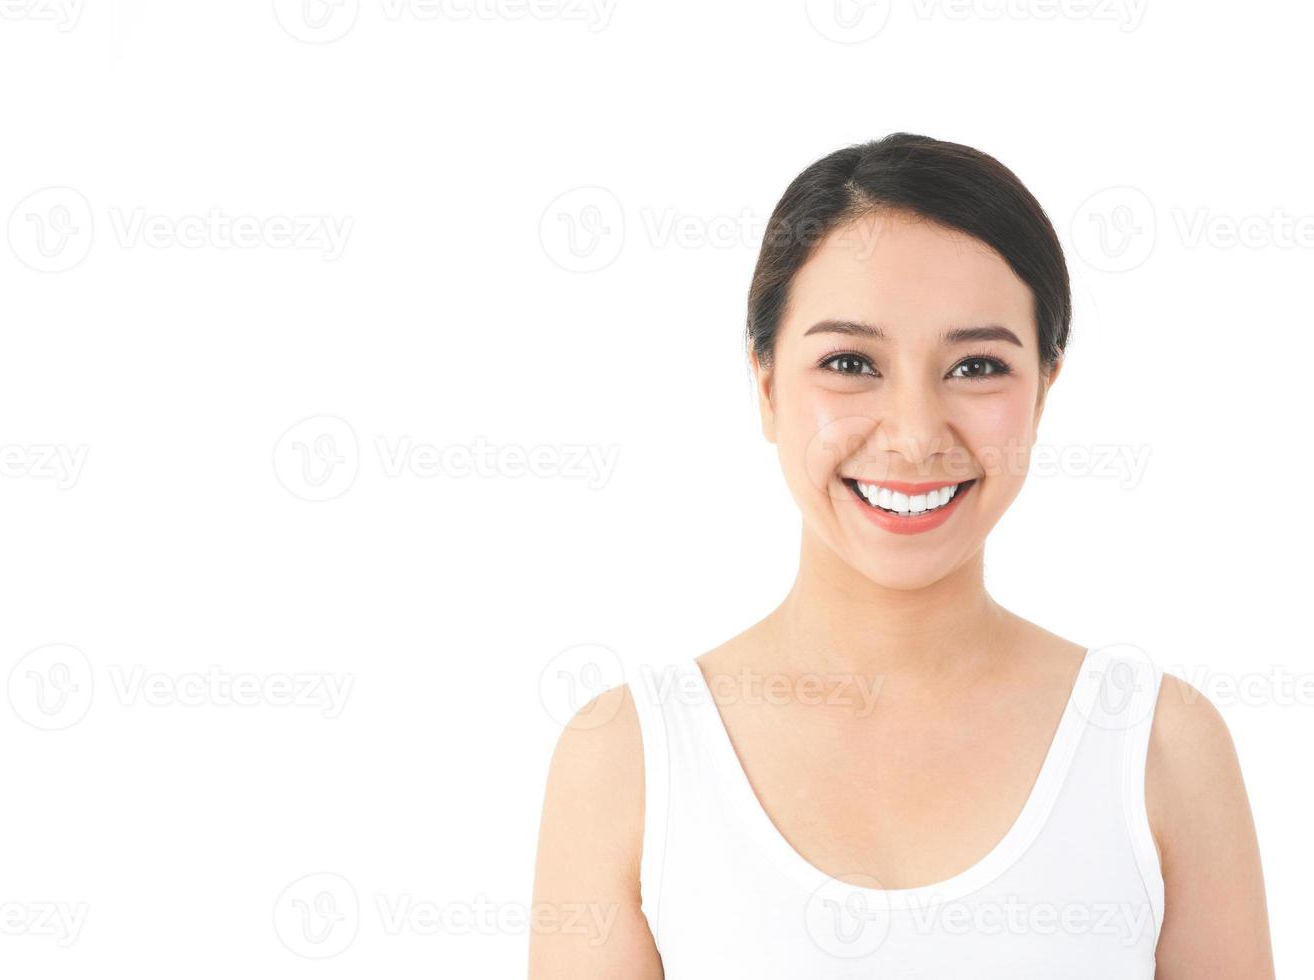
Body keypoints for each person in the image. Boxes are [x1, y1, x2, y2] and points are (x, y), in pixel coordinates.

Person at [528, 132, 1273, 978]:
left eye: (977, 366)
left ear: (1044, 391)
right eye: (850, 363)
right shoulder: (629, 758)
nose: (915, 438)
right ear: (767, 386)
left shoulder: (1161, 748)